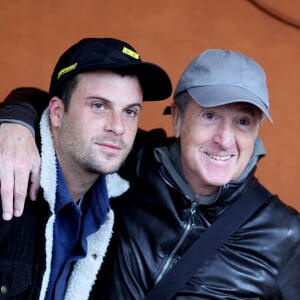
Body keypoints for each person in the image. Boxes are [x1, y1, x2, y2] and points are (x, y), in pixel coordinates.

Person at [0, 49, 299, 299]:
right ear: (178, 120)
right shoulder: (134, 163)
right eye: (209, 116)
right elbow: (69, 115)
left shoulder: (285, 233)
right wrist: (15, 120)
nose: (224, 138)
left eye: (243, 122)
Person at [0, 37, 172, 299]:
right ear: (56, 112)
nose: (118, 127)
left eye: (130, 111)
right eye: (99, 106)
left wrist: (15, 113)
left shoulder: (126, 194)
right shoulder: (8, 175)